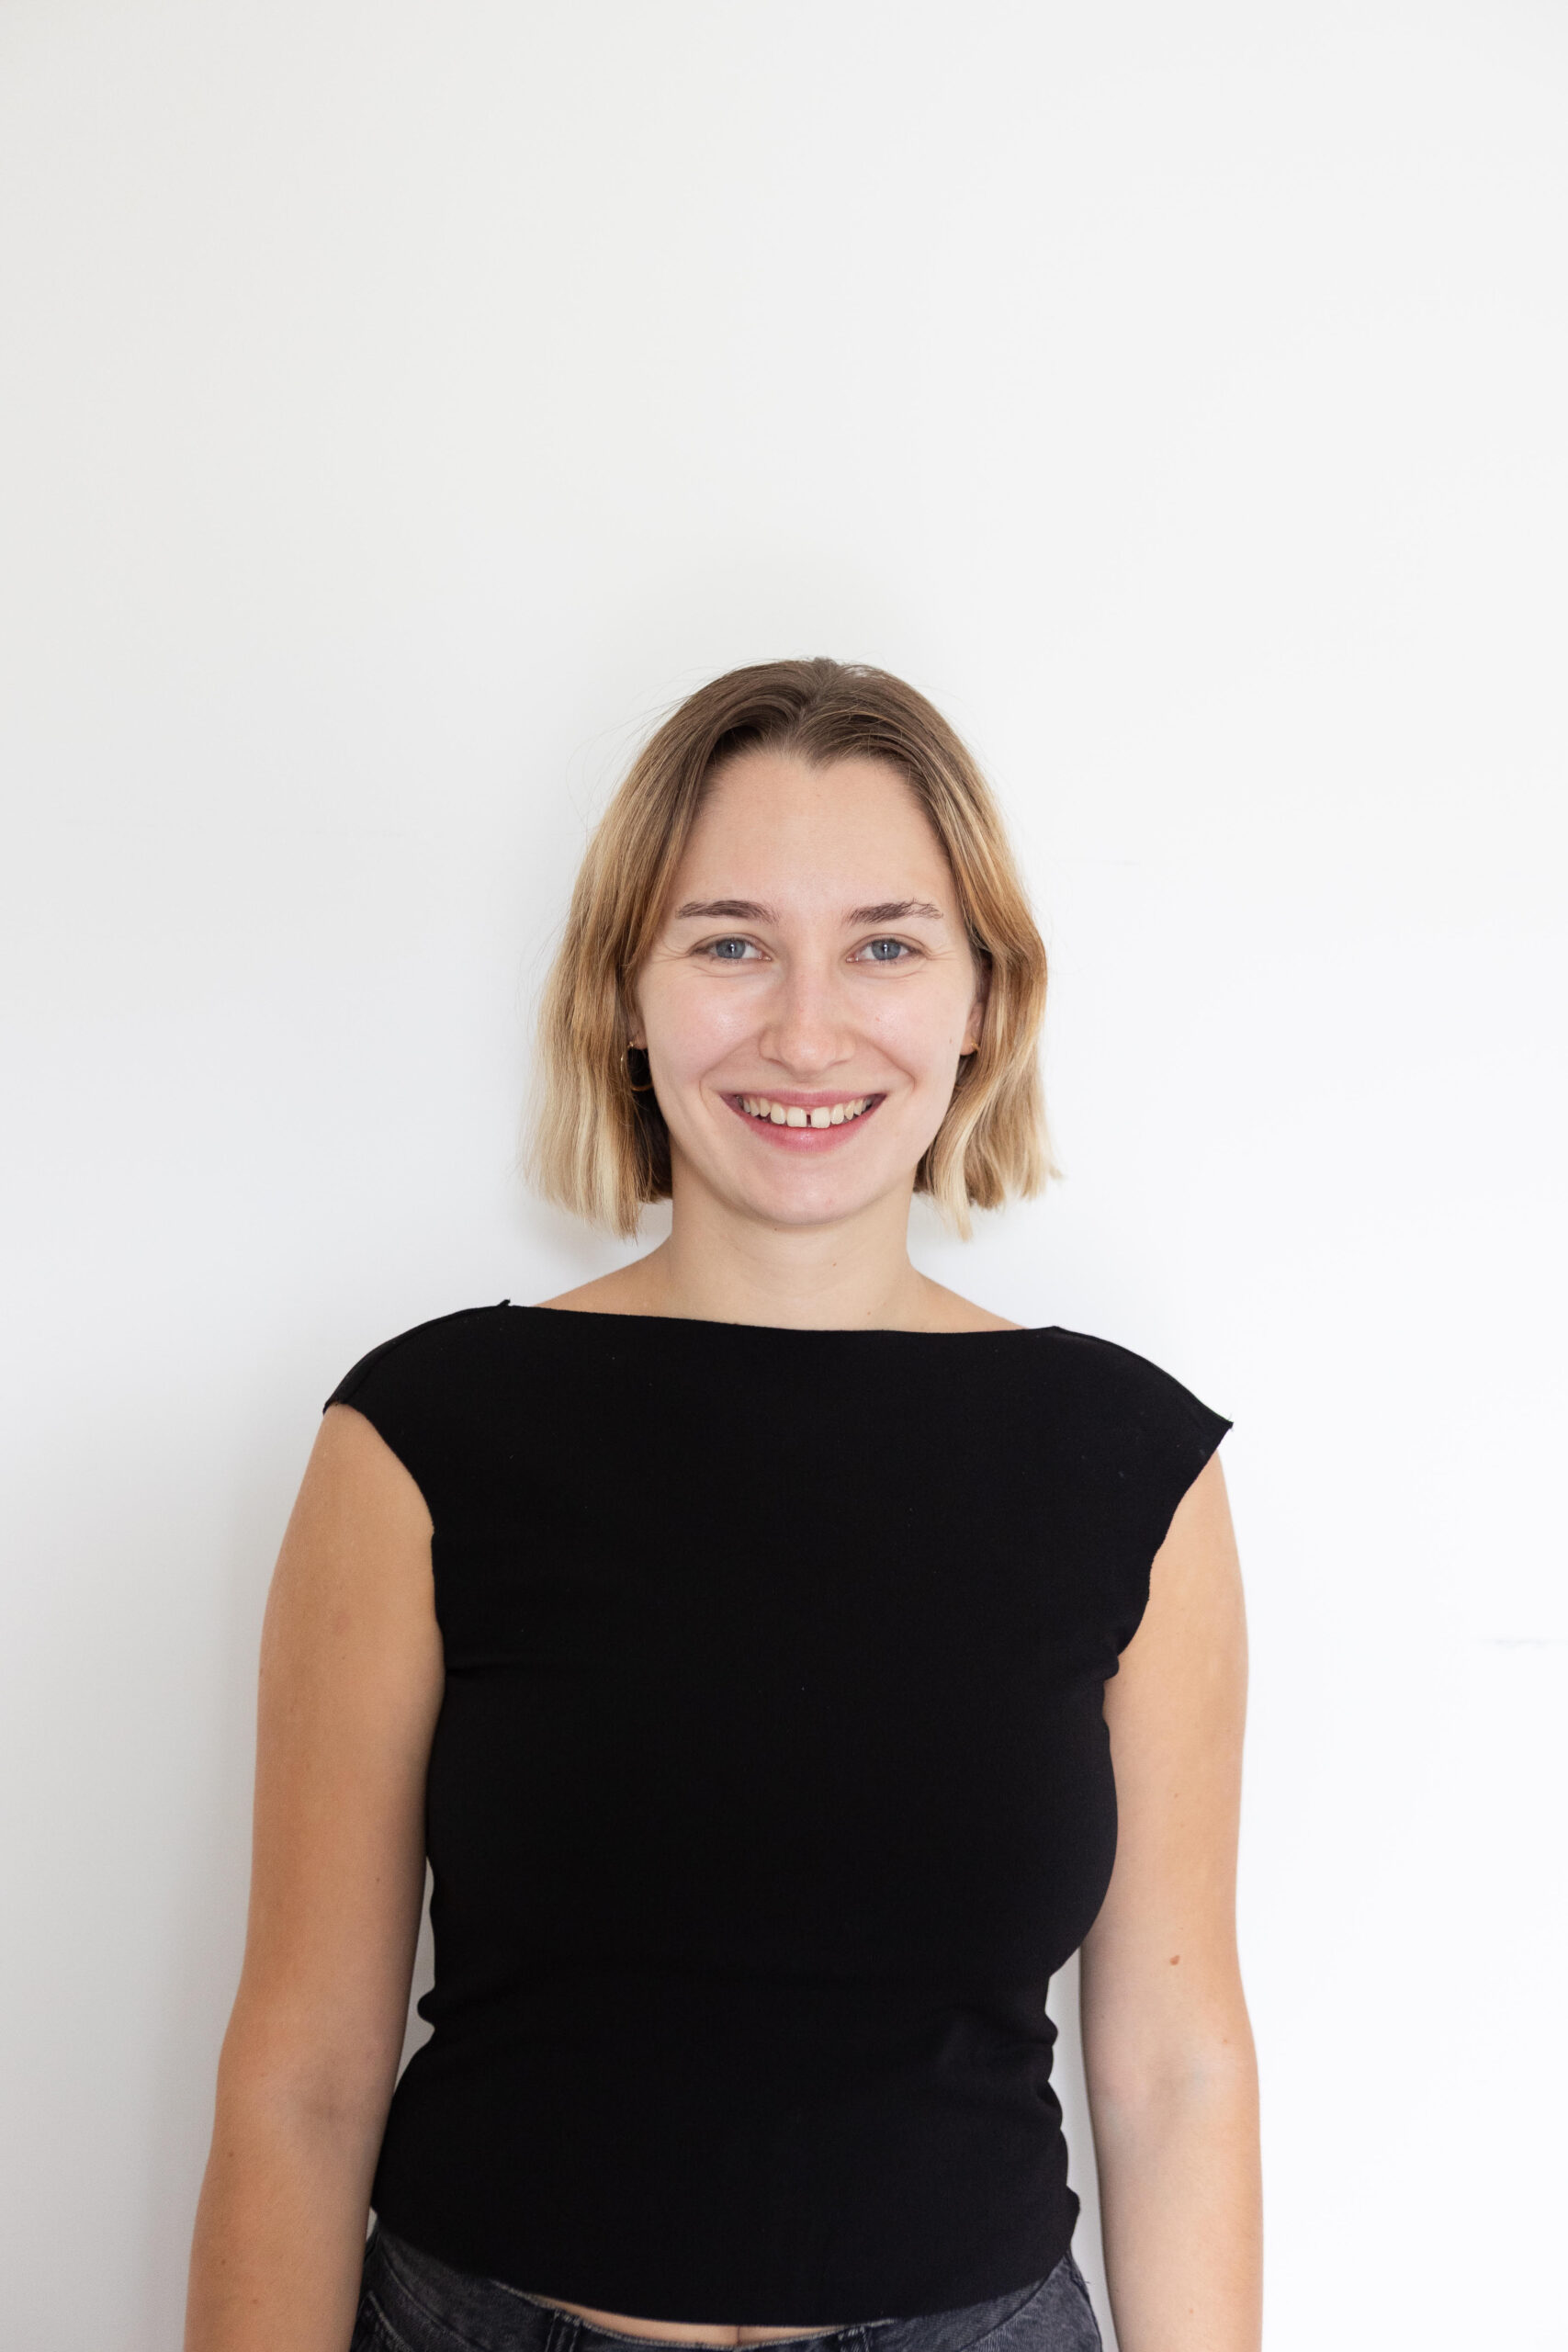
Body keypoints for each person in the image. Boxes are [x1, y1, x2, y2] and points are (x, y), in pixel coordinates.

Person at [185, 659, 1261, 2352]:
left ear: (985, 1000)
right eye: (731, 944)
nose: (806, 1032)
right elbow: (303, 2076)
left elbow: (1177, 2073)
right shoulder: (419, 1438)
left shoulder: (1133, 1465)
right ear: (624, 991)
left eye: (886, 947)